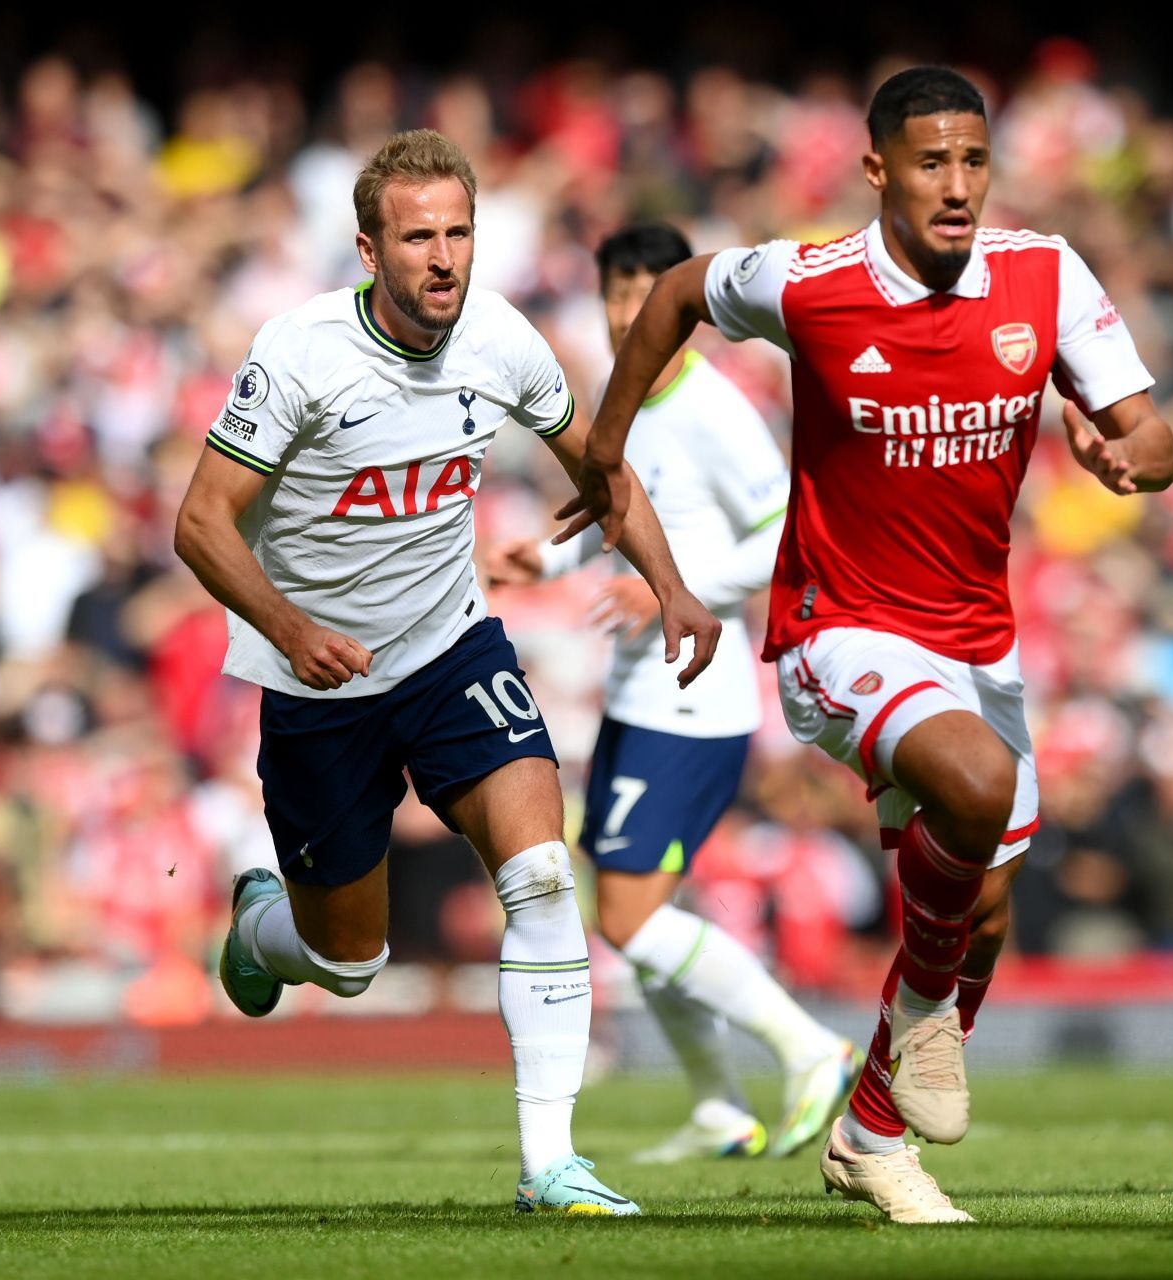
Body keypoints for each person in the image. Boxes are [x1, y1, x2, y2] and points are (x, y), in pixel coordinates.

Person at [555, 68, 1173, 1222]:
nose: (958, 185)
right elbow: (681, 289)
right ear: (880, 169)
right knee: (977, 788)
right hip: (834, 627)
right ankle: (927, 1021)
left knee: (985, 908)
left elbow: (1152, 425)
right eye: (932, 162)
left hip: (979, 644)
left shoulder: (1045, 274)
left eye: (975, 162)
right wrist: (607, 438)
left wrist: (1135, 451)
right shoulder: (813, 282)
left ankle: (870, 1133)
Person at [172, 130, 719, 1217]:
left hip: (451, 649)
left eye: (459, 232)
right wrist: (287, 626)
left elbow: (600, 472)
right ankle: (259, 925)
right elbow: (200, 523)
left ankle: (551, 1160)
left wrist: (675, 585)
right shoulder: (301, 353)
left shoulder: (502, 340)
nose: (444, 257)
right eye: (418, 236)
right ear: (368, 248)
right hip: (322, 684)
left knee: (544, 875)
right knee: (348, 962)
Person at [489, 222, 854, 1164]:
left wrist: (668, 588)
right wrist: (547, 552)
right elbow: (614, 508)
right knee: (632, 906)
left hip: (694, 700)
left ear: (680, 309)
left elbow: (785, 535)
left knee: (626, 918)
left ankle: (808, 1047)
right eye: (613, 291)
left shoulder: (716, 411)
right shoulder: (621, 404)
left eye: (644, 293)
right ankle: (720, 1106)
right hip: (636, 695)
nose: (624, 312)